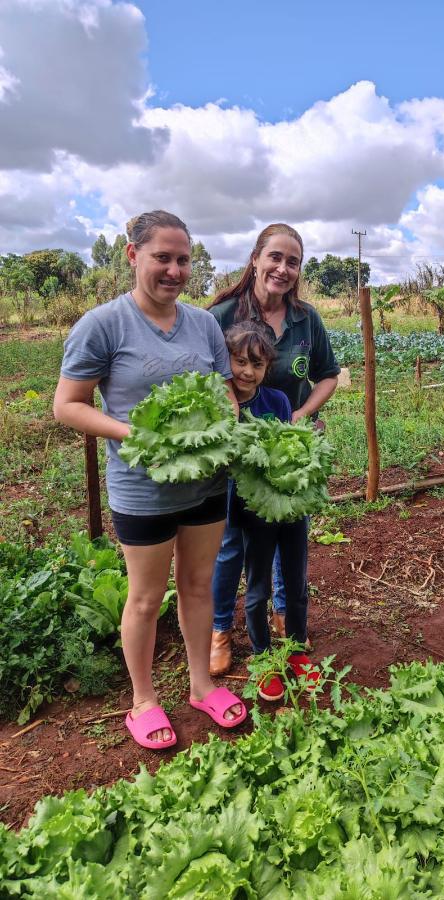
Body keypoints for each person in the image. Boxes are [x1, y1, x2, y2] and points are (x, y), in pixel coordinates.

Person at [53, 210, 246, 751]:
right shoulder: (104, 325)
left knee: (197, 586)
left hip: (205, 484)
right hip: (142, 488)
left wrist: (226, 423)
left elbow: (224, 392)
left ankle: (201, 684)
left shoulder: (204, 324)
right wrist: (130, 433)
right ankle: (142, 699)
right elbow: (67, 406)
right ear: (133, 255)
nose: (175, 270)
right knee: (143, 598)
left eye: (183, 260)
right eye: (163, 257)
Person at [208, 223, 340, 675]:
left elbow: (327, 375)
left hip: (288, 451)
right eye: (275, 258)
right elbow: (202, 372)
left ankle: (285, 616)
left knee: (288, 530)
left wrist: (299, 419)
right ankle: (220, 630)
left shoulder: (306, 320)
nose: (283, 269)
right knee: (231, 545)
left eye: (293, 262)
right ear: (256, 259)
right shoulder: (223, 315)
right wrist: (231, 413)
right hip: (234, 452)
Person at [224, 321, 317, 700]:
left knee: (295, 582)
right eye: (240, 361)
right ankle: (263, 658)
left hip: (290, 506)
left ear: (267, 368)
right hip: (253, 511)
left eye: (257, 365)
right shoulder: (224, 404)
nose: (247, 371)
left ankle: (294, 650)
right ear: (227, 360)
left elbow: (290, 444)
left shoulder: (278, 401)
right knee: (257, 587)